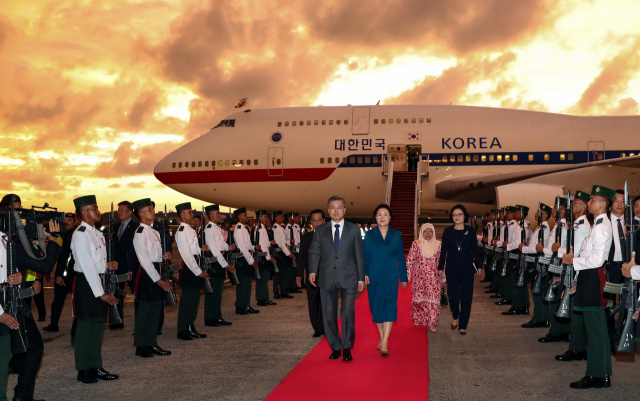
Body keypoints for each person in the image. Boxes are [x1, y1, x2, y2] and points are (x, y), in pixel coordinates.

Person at [0, 193, 61, 400]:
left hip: (19, 302)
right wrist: (54, 241)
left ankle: (22, 396)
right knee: (8, 354)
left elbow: (35, 262)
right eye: (15, 211)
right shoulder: (11, 241)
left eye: (21, 211)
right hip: (6, 305)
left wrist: (33, 277)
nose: (19, 215)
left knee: (33, 348)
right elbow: (43, 264)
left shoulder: (15, 239)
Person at [562, 185, 614, 389]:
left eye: (592, 200)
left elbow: (597, 259)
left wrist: (572, 261)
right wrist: (578, 281)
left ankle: (597, 376)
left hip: (594, 280)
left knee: (595, 332)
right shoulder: (599, 224)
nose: (589, 203)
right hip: (589, 279)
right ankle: (602, 373)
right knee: (596, 331)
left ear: (602, 204)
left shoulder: (601, 226)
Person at [70, 195, 120, 383]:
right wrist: (101, 293)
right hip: (87, 283)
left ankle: (95, 366)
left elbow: (96, 263)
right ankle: (83, 370)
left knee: (98, 326)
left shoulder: (96, 233)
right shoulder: (80, 234)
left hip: (98, 280)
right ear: (84, 212)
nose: (98, 211)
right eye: (94, 208)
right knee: (86, 327)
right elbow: (87, 265)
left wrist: (108, 266)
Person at [309, 195, 365, 362]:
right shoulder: (320, 230)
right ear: (328, 211)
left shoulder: (354, 230)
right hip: (326, 278)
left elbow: (359, 256)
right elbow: (314, 251)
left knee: (348, 312)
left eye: (339, 207)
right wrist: (312, 271)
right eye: (332, 207)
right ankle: (335, 346)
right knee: (328, 315)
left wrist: (361, 278)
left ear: (344, 210)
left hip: (349, 277)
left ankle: (347, 347)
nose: (335, 210)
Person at [364, 204, 408, 356]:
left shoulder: (396, 235)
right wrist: (364, 273)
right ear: (375, 218)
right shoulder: (369, 235)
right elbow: (366, 257)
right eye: (379, 215)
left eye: (385, 214)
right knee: (376, 308)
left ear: (390, 218)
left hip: (391, 276)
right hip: (374, 276)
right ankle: (382, 337)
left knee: (390, 307)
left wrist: (404, 276)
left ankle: (384, 343)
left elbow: (401, 257)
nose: (382, 217)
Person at [555, 190, 591, 362]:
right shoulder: (576, 225)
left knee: (575, 311)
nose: (572, 206)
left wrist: (558, 250)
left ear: (584, 206)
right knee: (573, 310)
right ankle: (577, 346)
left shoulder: (582, 226)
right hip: (573, 269)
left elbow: (574, 252)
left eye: (576, 203)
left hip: (577, 272)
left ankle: (577, 349)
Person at [438, 204, 482, 335]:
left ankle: (463, 325)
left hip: (467, 268)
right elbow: (443, 251)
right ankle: (455, 316)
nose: (457, 217)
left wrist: (479, 265)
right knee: (453, 295)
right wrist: (440, 267)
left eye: (459, 214)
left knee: (467, 297)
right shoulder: (447, 231)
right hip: (451, 268)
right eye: (454, 215)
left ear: (464, 216)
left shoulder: (471, 231)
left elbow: (475, 249)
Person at [174, 202, 209, 341]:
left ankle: (190, 326)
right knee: (187, 300)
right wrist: (198, 271)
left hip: (194, 264)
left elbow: (193, 250)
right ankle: (182, 329)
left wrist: (201, 250)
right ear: (182, 215)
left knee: (194, 300)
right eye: (189, 212)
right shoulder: (182, 231)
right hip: (189, 268)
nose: (192, 214)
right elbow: (186, 254)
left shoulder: (190, 229)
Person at [44, 213, 78, 336]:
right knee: (57, 301)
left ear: (75, 222)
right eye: (64, 220)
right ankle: (53, 324)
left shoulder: (73, 235)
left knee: (77, 302)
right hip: (63, 274)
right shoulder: (60, 235)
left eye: (70, 220)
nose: (66, 222)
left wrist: (58, 274)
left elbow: (64, 257)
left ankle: (76, 328)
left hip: (71, 275)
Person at [520, 204, 551, 328]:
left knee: (537, 290)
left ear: (545, 215)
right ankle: (542, 318)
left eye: (539, 212)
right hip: (535, 260)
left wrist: (524, 248)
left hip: (539, 261)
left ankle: (540, 319)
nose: (536, 214)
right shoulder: (540, 228)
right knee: (536, 290)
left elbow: (538, 248)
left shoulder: (544, 229)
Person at [203, 204, 234, 326]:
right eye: (217, 213)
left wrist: (229, 247)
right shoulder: (210, 228)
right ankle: (210, 318)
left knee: (218, 292)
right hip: (215, 262)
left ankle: (217, 316)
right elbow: (214, 249)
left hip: (219, 261)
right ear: (211, 215)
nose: (219, 215)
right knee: (213, 292)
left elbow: (221, 245)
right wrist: (225, 265)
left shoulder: (216, 228)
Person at [407, 223, 442, 332]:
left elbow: (442, 262)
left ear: (433, 232)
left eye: (430, 231)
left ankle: (431, 323)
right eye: (425, 231)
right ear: (421, 232)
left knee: (433, 300)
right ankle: (418, 318)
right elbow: (410, 260)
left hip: (434, 278)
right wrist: (407, 275)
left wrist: (444, 275)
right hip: (419, 278)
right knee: (419, 300)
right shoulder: (416, 244)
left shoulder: (439, 244)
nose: (427, 233)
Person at [296, 209, 326, 337]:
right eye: (314, 220)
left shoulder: (331, 236)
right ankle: (317, 328)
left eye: (319, 220)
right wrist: (299, 274)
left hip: (327, 275)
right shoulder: (306, 237)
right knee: (313, 302)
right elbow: (302, 257)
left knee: (326, 303)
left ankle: (327, 327)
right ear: (311, 222)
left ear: (324, 221)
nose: (317, 223)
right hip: (311, 276)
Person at [111, 200, 139, 329]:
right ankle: (117, 320)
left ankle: (140, 322)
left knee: (136, 294)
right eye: (119, 210)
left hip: (130, 267)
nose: (119, 212)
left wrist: (127, 266)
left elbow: (134, 250)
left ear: (130, 212)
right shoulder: (115, 226)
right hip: (116, 267)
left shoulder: (136, 227)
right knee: (116, 294)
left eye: (122, 210)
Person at [232, 207, 261, 315]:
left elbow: (247, 245)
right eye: (244, 215)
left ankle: (246, 305)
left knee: (248, 284)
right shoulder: (239, 229)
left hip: (247, 257)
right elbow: (242, 248)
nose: (246, 216)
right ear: (239, 217)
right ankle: (240, 306)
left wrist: (254, 247)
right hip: (244, 259)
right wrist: (251, 261)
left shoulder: (243, 228)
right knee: (243, 284)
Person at [252, 210, 277, 307]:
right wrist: (269, 257)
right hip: (262, 257)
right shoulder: (259, 229)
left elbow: (266, 243)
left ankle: (265, 298)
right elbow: (262, 246)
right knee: (261, 279)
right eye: (265, 216)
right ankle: (261, 298)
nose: (266, 218)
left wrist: (271, 243)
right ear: (259, 217)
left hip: (264, 256)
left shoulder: (262, 228)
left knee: (264, 279)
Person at [271, 211, 296, 299]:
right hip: (279, 253)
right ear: (276, 218)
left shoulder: (280, 227)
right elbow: (281, 244)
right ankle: (276, 292)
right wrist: (289, 254)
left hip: (283, 252)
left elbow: (283, 242)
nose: (282, 218)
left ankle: (283, 290)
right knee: (278, 274)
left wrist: (289, 242)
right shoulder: (275, 227)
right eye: (281, 216)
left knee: (283, 273)